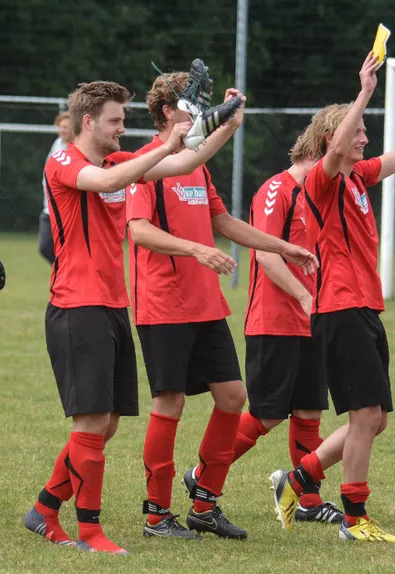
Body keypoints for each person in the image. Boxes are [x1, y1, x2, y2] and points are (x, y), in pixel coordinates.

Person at [23, 79, 242, 554]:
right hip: (76, 306)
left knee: (107, 425)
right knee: (91, 424)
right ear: (88, 122)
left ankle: (44, 509)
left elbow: (184, 163)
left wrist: (226, 124)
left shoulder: (117, 162)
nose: (123, 128)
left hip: (111, 307)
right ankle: (90, 532)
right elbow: (108, 183)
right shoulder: (65, 161)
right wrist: (166, 142)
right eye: (115, 121)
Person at [128, 71, 317, 541]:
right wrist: (196, 250)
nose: (201, 111)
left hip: (206, 305)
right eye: (192, 104)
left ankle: (204, 505)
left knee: (233, 397)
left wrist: (283, 247)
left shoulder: (197, 164)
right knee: (169, 402)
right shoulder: (144, 163)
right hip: (164, 304)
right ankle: (156, 515)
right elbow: (139, 230)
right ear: (168, 111)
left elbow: (223, 221)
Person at [269, 55, 395, 543]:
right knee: (365, 417)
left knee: (376, 420)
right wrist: (364, 92)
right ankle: (354, 519)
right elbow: (335, 149)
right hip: (340, 309)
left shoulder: (357, 178)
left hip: (363, 310)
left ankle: (299, 478)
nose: (365, 138)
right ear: (334, 138)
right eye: (359, 130)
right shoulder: (322, 180)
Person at [205, 124, 341, 525]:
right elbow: (265, 255)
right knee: (266, 415)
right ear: (321, 147)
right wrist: (303, 297)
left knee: (310, 412)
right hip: (275, 320)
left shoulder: (321, 193)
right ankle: (203, 475)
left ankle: (309, 501)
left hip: (312, 318)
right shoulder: (276, 190)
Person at [40, 112, 74, 263]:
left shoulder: (79, 148)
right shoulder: (58, 144)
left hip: (67, 210)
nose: (61, 130)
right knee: (45, 246)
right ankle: (64, 272)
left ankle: (67, 273)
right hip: (50, 207)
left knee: (68, 249)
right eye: (60, 127)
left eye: (65, 127)